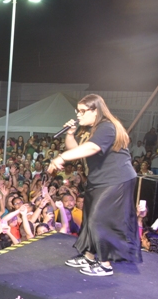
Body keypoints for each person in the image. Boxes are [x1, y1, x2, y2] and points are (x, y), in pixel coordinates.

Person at [50, 94, 142, 276]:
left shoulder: (107, 126)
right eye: (77, 111)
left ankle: (105, 263)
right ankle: (89, 256)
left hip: (116, 179)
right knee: (89, 218)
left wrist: (60, 158)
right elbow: (76, 150)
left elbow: (92, 148)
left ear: (96, 111)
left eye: (83, 111)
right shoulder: (92, 129)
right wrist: (70, 133)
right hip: (99, 179)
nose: (78, 115)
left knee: (100, 219)